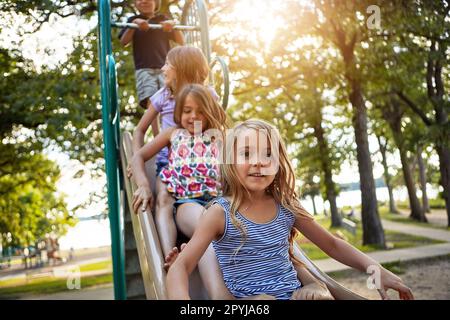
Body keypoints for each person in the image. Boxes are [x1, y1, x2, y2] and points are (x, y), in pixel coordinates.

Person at [167, 119, 415, 300]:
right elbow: (181, 267)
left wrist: (376, 270)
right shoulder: (220, 213)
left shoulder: (286, 206)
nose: (258, 161)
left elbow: (332, 245)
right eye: (246, 153)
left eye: (268, 155)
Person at [129, 46, 216, 259]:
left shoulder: (208, 94)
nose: (162, 68)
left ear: (182, 68)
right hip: (169, 164)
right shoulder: (163, 96)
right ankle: (170, 253)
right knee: (164, 199)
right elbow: (140, 130)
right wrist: (139, 172)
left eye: (168, 63)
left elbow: (219, 128)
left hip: (201, 165)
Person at [119, 0, 184, 135]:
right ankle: (157, 136)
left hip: (165, 68)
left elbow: (181, 41)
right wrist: (135, 24)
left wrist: (173, 26)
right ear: (135, 3)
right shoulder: (132, 20)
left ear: (156, 3)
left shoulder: (163, 19)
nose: (144, 1)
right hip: (144, 68)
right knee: (152, 100)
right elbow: (123, 41)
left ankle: (172, 132)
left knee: (169, 98)